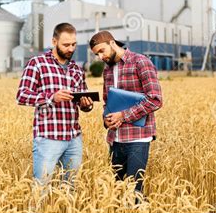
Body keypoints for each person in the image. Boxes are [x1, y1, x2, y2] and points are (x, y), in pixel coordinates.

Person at [16, 23, 93, 184]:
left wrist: (86, 104)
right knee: (41, 187)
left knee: (70, 187)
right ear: (54, 41)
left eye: (73, 44)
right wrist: (52, 97)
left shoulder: (77, 69)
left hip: (74, 138)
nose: (70, 49)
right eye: (66, 45)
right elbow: (22, 96)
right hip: (48, 138)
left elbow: (83, 101)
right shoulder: (37, 63)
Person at [89, 30, 162, 196]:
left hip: (137, 138)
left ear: (113, 43)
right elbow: (108, 102)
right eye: (96, 54)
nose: (100, 57)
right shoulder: (107, 70)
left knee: (133, 191)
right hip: (115, 139)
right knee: (118, 191)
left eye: (102, 51)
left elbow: (155, 99)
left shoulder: (140, 62)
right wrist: (106, 120)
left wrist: (123, 115)